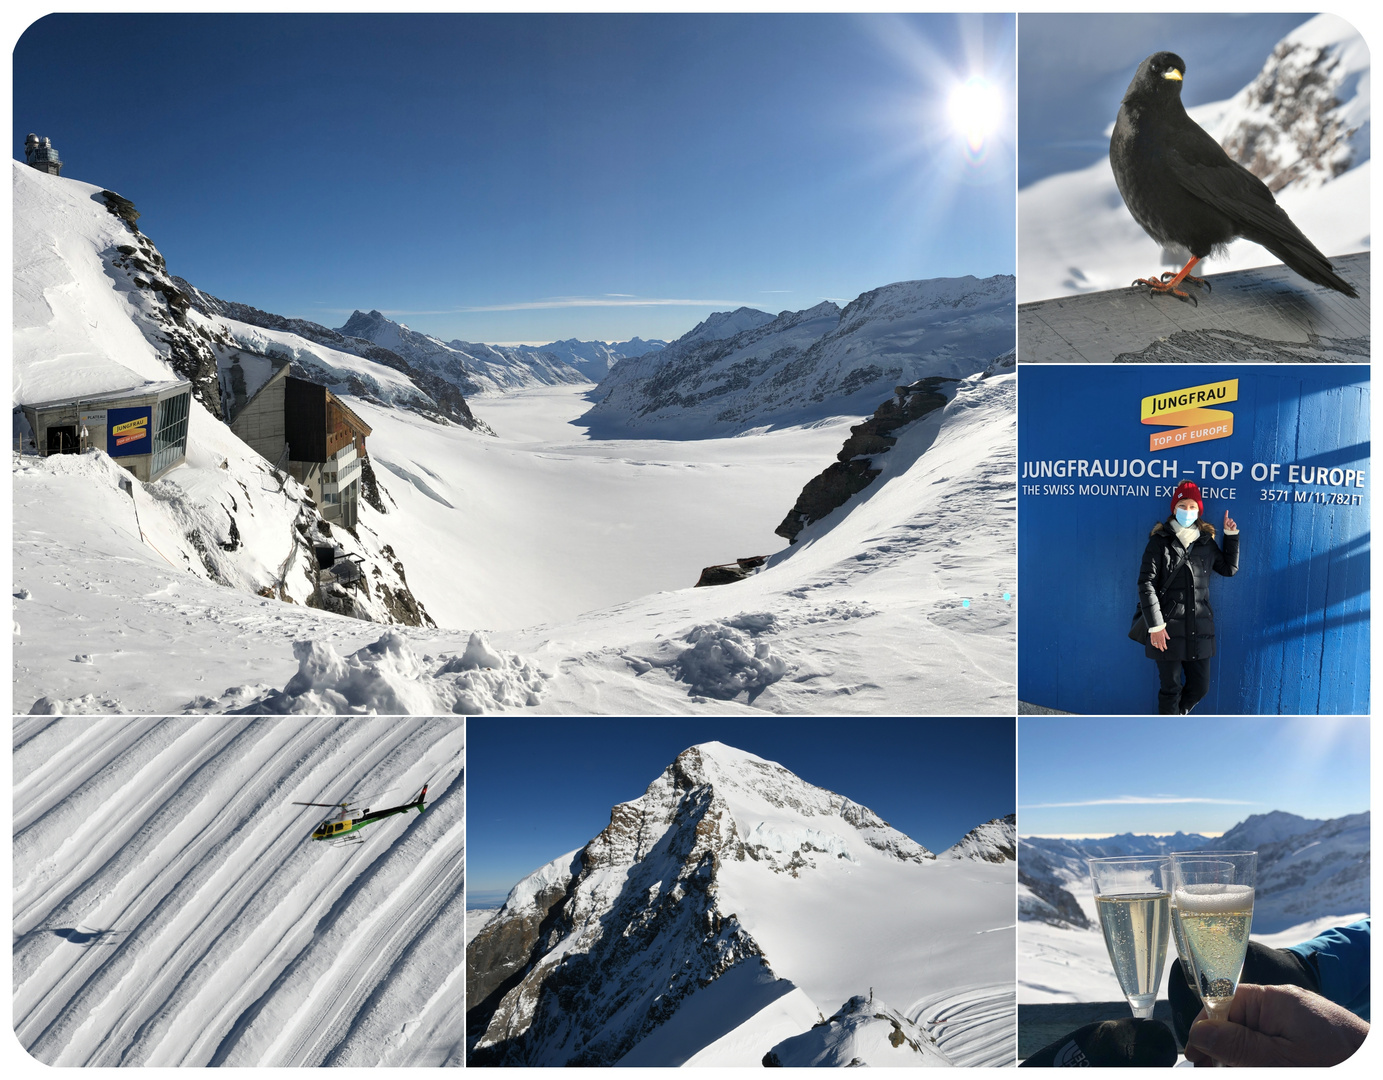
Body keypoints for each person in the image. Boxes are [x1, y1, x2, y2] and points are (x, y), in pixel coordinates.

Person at [1136, 480, 1238, 714]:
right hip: (1166, 629)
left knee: (1200, 687)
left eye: (1193, 506)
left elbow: (1228, 569)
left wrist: (1231, 535)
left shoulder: (1205, 542)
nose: (1188, 510)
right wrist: (1156, 626)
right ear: (1174, 508)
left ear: (1199, 510)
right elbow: (1146, 583)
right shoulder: (1159, 541)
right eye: (1183, 505)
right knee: (1171, 689)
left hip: (1199, 628)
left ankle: (1177, 718)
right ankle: (1167, 738)